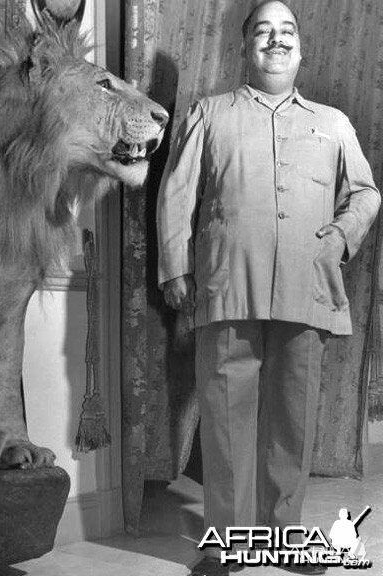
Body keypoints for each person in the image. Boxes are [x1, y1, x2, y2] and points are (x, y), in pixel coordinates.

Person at [156, 2, 380, 575]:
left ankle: (283, 537)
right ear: (244, 48)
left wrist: (341, 234)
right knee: (227, 421)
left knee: (292, 420)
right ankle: (229, 543)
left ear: (301, 50)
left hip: (309, 290)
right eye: (263, 31)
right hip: (228, 287)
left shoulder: (333, 123)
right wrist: (175, 269)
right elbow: (176, 197)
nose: (275, 40)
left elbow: (366, 194)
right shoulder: (209, 114)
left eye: (287, 32)